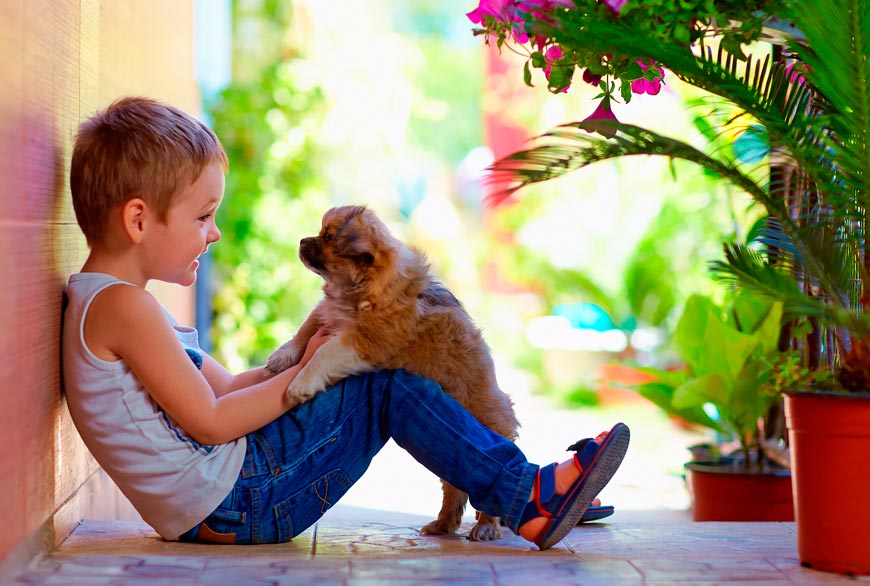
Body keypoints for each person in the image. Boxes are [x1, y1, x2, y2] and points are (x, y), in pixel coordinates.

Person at [61, 96, 630, 550]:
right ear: (139, 220)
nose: (214, 232)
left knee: (374, 368)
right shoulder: (122, 308)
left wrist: (305, 354)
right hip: (237, 501)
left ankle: (515, 487)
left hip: (231, 495)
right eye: (204, 216)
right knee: (385, 386)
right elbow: (211, 422)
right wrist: (312, 370)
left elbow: (229, 388)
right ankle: (526, 495)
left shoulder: (119, 305)